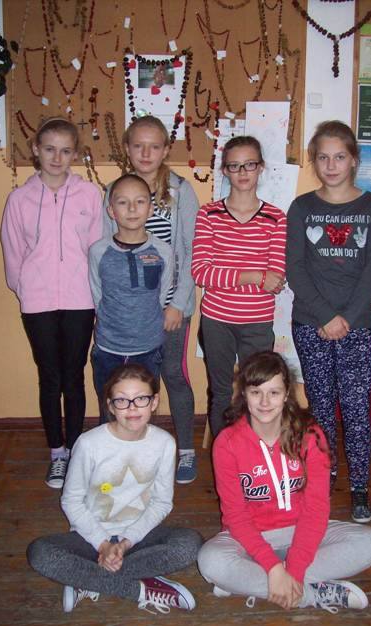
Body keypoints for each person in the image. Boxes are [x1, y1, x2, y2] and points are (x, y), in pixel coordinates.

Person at [197, 351, 371, 613]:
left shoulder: (310, 435)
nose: (264, 402)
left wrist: (292, 569)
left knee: (370, 542)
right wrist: (273, 566)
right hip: (250, 537)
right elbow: (235, 516)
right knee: (210, 560)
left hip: (301, 530)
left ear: (286, 394)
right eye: (256, 392)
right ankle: (312, 593)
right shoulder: (227, 443)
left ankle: (252, 582)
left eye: (274, 393)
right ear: (244, 395)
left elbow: (316, 509)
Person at [26, 363, 203, 615]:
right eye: (122, 400)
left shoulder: (164, 443)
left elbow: (162, 502)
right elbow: (71, 501)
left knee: (190, 544)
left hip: (139, 538)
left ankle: (86, 579)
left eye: (141, 399)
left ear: (154, 402)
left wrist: (126, 542)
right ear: (110, 406)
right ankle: (141, 589)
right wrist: (102, 544)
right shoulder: (89, 444)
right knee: (40, 553)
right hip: (90, 539)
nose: (132, 408)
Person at [286, 120, 371, 523]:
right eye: (323, 157)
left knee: (356, 408)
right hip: (310, 323)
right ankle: (324, 477)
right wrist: (325, 316)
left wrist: (345, 318)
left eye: (339, 157)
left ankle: (360, 487)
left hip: (356, 326)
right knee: (322, 408)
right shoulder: (302, 208)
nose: (331, 166)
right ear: (314, 161)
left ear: (354, 160)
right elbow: (296, 268)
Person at [1, 116, 103, 490]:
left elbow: (97, 248)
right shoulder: (19, 199)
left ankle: (75, 451)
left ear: (75, 154)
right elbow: (12, 251)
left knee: (73, 376)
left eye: (65, 151)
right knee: (50, 377)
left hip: (80, 300)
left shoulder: (89, 195)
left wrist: (94, 293)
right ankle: (57, 453)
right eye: (49, 149)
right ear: (36, 150)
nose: (57, 158)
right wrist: (26, 289)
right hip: (38, 302)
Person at [103, 115, 199, 484]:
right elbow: (105, 252)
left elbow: (191, 252)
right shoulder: (114, 191)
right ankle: (131, 450)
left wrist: (177, 304)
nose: (146, 153)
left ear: (165, 150)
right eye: (138, 146)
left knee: (172, 374)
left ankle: (185, 450)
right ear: (127, 148)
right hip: (129, 311)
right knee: (132, 382)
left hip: (171, 307)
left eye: (154, 146)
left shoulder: (181, 191)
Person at [191, 136, 286, 437]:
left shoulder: (276, 218)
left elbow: (275, 279)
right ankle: (224, 452)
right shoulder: (208, 214)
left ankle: (253, 452)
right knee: (221, 392)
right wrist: (254, 276)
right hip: (217, 320)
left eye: (249, 164)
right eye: (234, 166)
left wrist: (233, 276)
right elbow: (201, 273)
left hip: (257, 322)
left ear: (261, 168)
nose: (243, 172)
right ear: (225, 170)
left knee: (258, 392)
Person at [90, 174, 173, 414]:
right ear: (111, 211)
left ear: (150, 209)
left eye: (140, 201)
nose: (132, 209)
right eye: (123, 202)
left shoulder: (163, 251)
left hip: (148, 348)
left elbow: (162, 294)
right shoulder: (98, 251)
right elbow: (97, 295)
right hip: (108, 348)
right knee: (110, 411)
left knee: (142, 411)